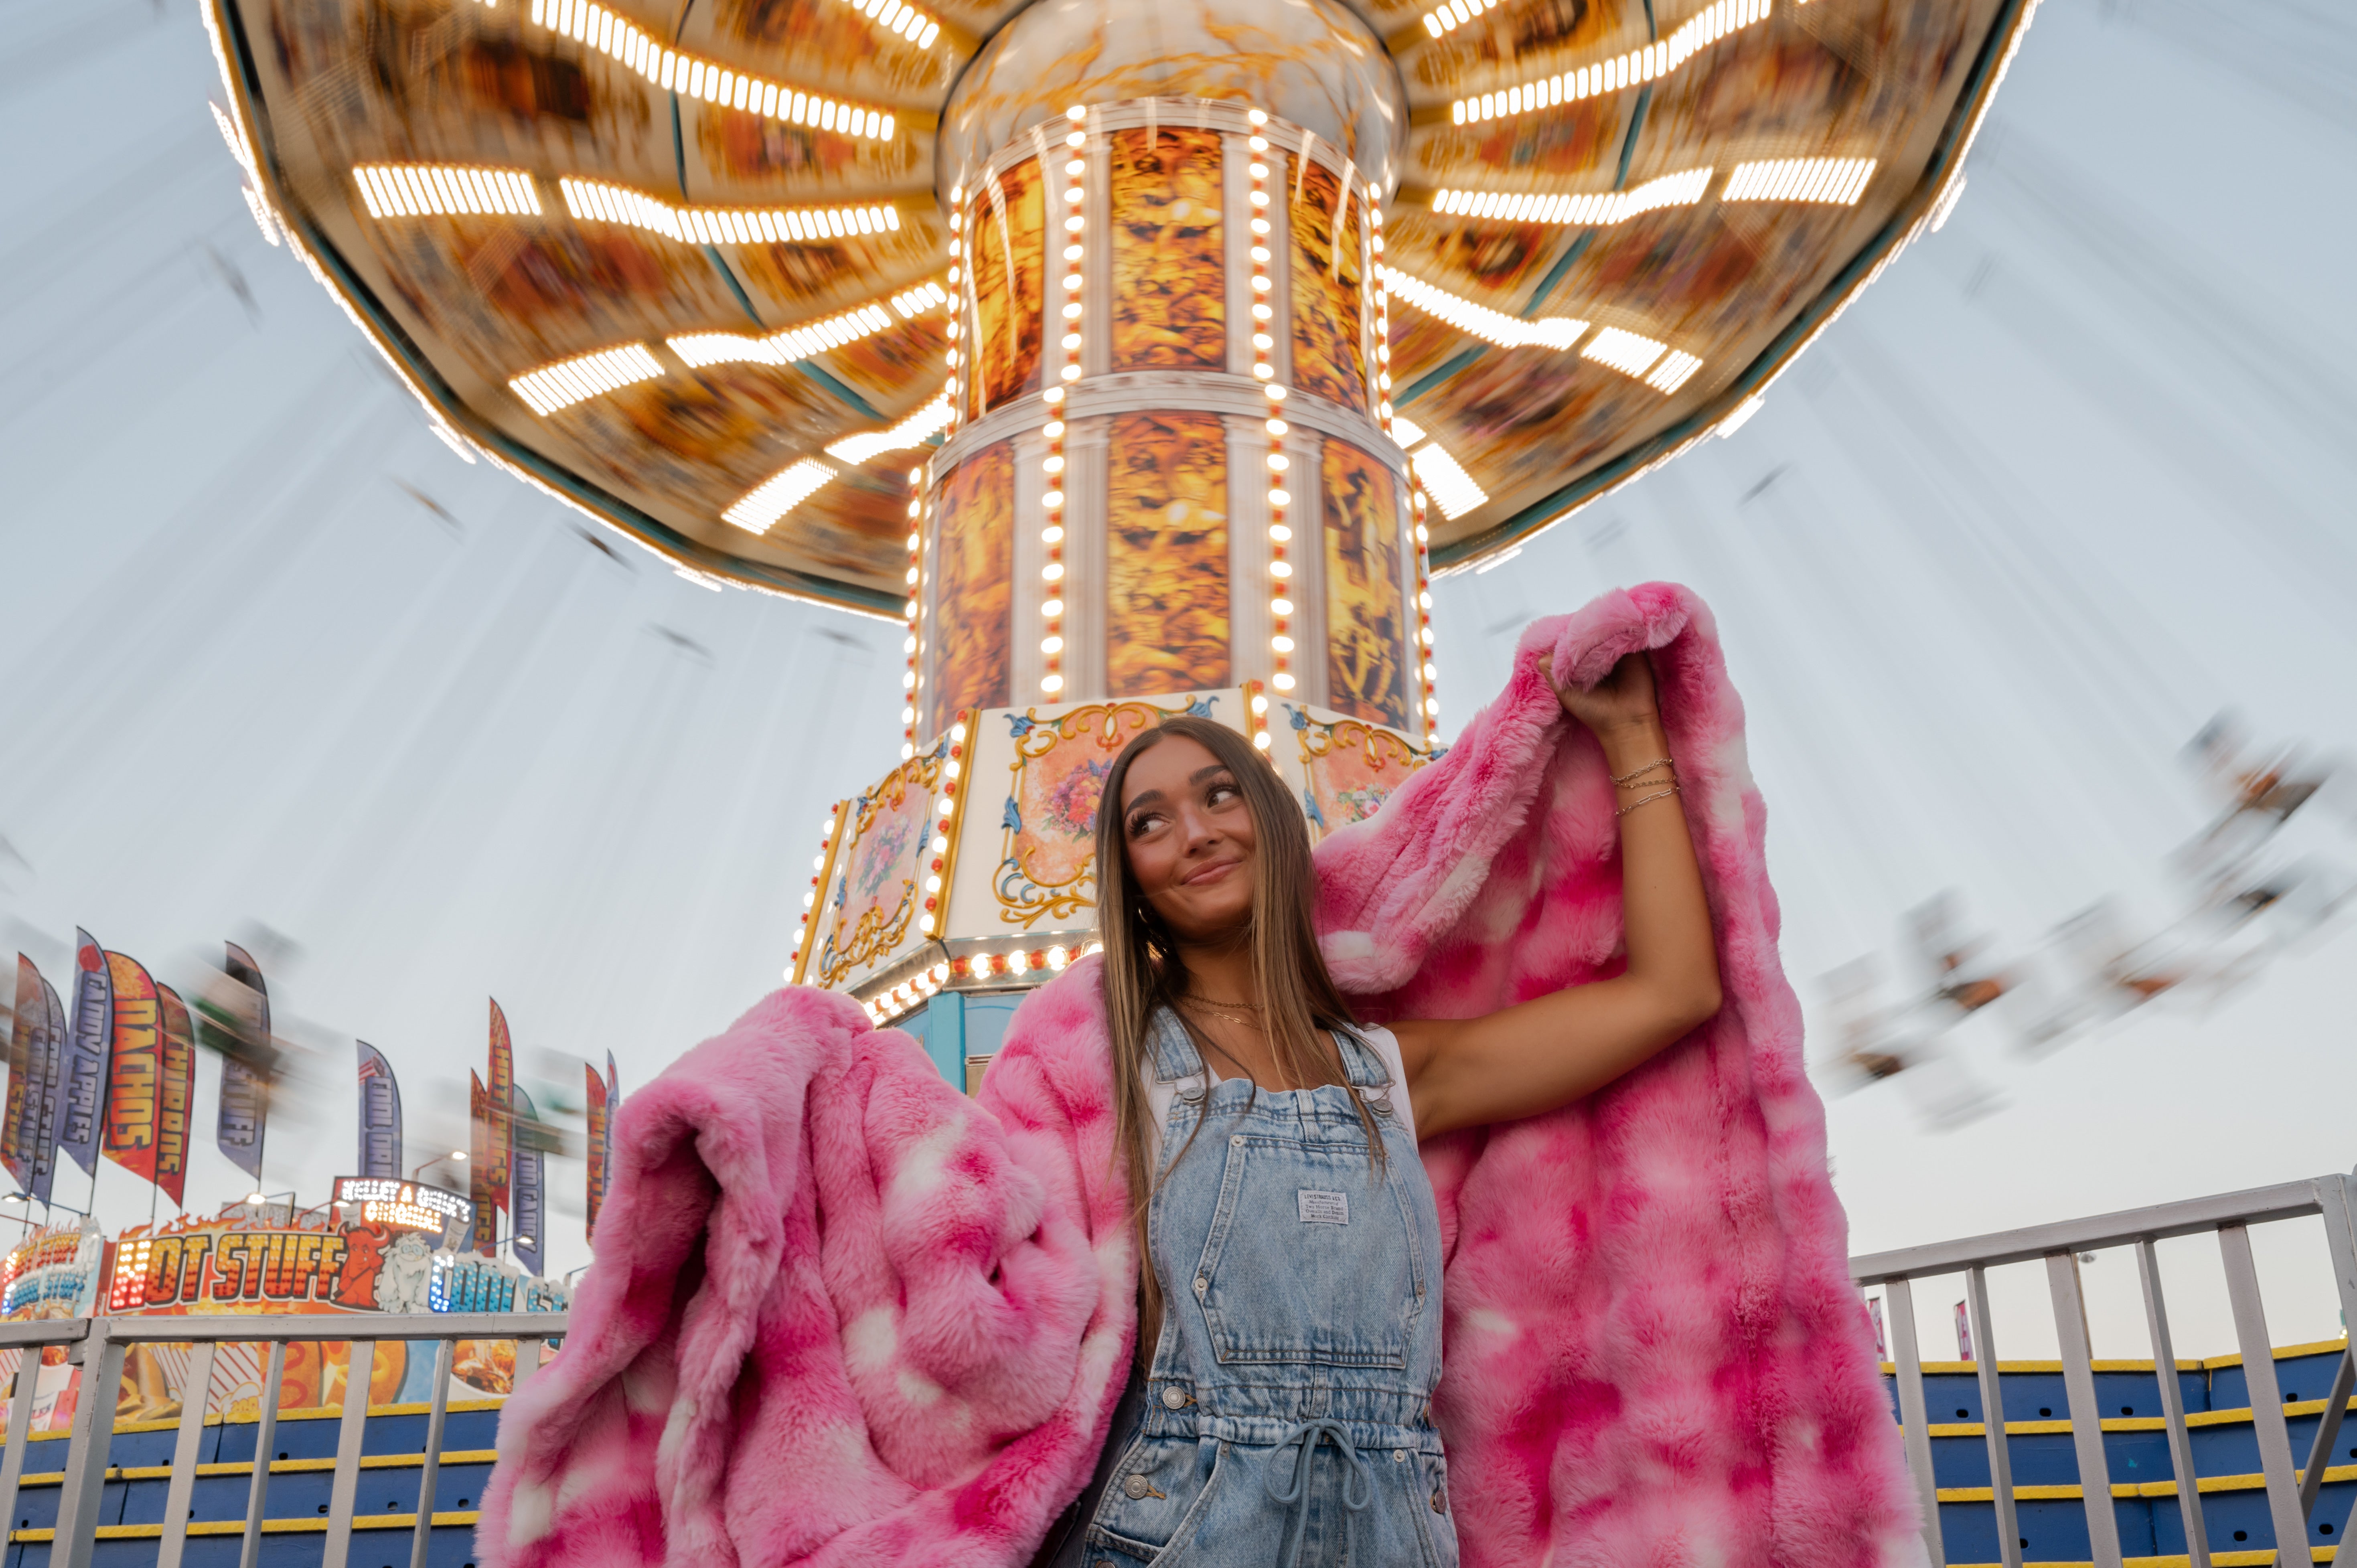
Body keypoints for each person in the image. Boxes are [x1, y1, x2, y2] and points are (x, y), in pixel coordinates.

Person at [1034, 649, 1723, 1568]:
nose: (1192, 832)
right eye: (1148, 822)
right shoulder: (1104, 1064)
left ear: (1274, 822)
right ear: (1131, 880)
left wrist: (1631, 733)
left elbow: (1673, 991)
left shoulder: (1387, 1075)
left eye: (1218, 795)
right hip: (1178, 1533)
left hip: (1392, 1531)